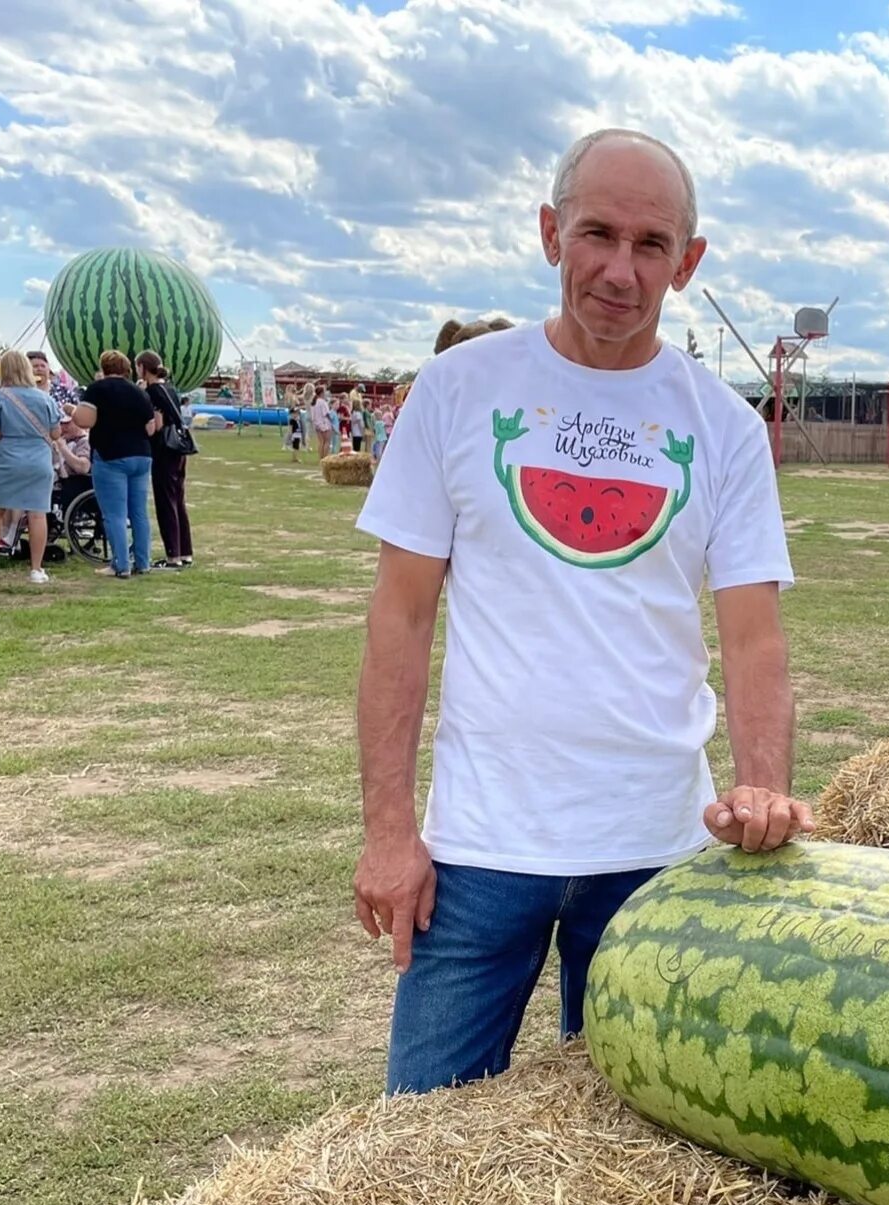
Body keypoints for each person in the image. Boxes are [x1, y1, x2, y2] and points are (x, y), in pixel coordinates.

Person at [354, 127, 805, 1097]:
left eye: (651, 245)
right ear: (550, 232)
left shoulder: (723, 427)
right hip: (479, 849)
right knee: (419, 1136)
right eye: (597, 233)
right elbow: (399, 620)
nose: (619, 269)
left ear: (689, 263)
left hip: (657, 847)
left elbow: (754, 632)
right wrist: (390, 830)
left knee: (627, 1151)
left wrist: (764, 786)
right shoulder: (459, 390)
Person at [0, 351, 67, 585]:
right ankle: (37, 570)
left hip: (9, 459)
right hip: (39, 461)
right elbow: (56, 432)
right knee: (38, 513)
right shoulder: (45, 399)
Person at [71, 350, 157, 578]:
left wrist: (73, 411)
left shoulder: (97, 389)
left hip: (111, 456)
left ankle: (120, 564)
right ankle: (143, 561)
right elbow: (151, 428)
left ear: (103, 367)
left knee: (114, 514)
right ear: (127, 368)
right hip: (141, 455)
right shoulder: (139, 392)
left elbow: (85, 420)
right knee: (139, 512)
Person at [137, 350, 194, 569]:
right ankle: (185, 551)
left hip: (164, 450)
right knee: (178, 499)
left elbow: (157, 425)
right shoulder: (171, 388)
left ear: (143, 368)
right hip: (179, 448)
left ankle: (173, 555)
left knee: (165, 502)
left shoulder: (152, 392)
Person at [308, 389, 336, 457]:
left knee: (321, 442)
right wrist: (331, 420)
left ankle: (321, 457)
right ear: (321, 393)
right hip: (324, 423)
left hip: (317, 423)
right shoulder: (323, 402)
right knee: (327, 441)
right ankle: (325, 456)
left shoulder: (314, 402)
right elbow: (326, 413)